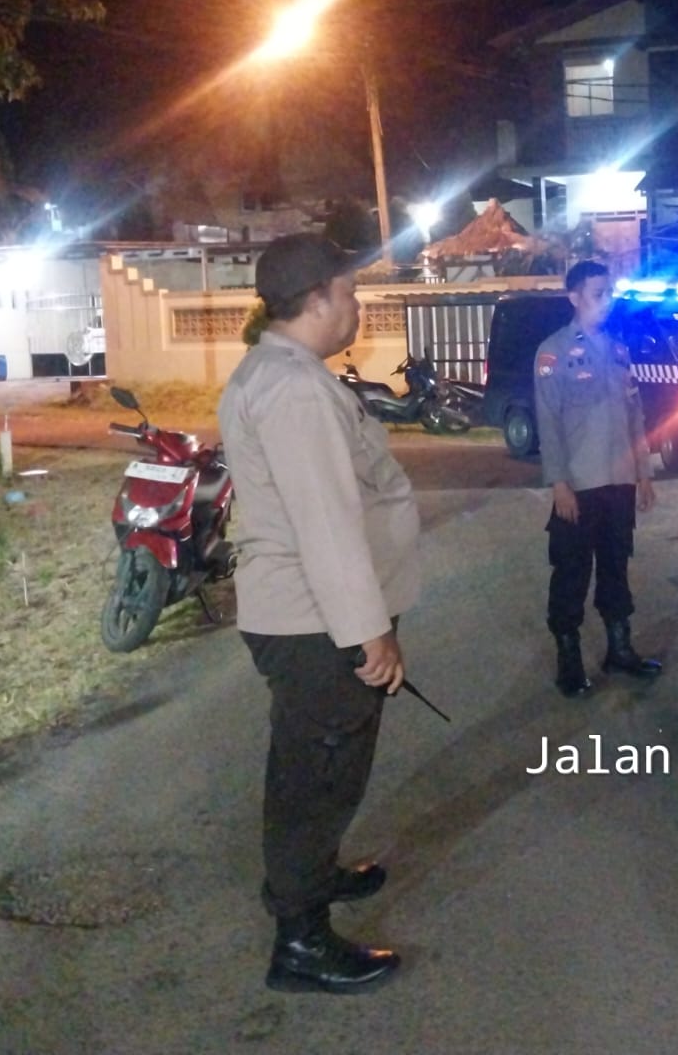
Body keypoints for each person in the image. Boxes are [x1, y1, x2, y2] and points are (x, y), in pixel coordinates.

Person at [218, 233, 420, 994]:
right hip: (316, 621)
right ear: (316, 300)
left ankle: (311, 874)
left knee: (313, 762)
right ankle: (300, 940)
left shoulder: (279, 371)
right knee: (320, 775)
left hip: (307, 615)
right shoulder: (295, 389)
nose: (357, 306)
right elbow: (326, 522)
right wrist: (369, 632)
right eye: (350, 292)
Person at [536, 259, 662, 697]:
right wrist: (559, 483)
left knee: (616, 567)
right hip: (579, 485)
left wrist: (644, 473)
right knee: (571, 573)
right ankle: (569, 662)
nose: (607, 301)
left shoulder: (618, 350)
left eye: (609, 293)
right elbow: (548, 421)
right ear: (574, 297)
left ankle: (619, 650)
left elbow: (635, 417)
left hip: (619, 483)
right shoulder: (553, 352)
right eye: (598, 294)